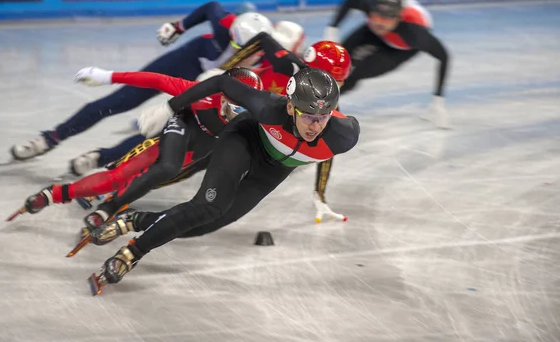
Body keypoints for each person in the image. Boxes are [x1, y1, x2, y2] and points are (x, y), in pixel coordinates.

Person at [86, 66, 360, 294]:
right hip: (245, 140)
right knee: (208, 206)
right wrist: (169, 107)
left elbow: (328, 152)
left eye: (323, 117)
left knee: (208, 224)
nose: (316, 126)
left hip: (273, 169)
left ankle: (134, 220)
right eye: (309, 117)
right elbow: (221, 82)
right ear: (290, 107)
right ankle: (132, 253)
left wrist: (319, 193)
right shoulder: (268, 108)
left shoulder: (344, 134)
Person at [8, 3, 273, 174]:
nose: (243, 55)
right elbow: (210, 7)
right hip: (184, 62)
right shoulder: (224, 24)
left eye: (250, 52)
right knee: (118, 101)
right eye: (238, 48)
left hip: (207, 85)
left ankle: (100, 158)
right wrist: (178, 27)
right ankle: (50, 138)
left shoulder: (272, 59)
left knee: (161, 131)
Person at [15, 68, 263, 232]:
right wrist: (108, 76)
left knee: (150, 177)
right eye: (234, 105)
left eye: (245, 106)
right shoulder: (202, 96)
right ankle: (65, 197)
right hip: (181, 128)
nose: (238, 112)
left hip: (198, 151)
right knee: (142, 171)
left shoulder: (257, 115)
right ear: (221, 95)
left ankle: (94, 202)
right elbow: (155, 80)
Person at [324, 0, 451, 128]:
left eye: (386, 18)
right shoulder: (370, 7)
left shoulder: (414, 33)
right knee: (337, 58)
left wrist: (438, 100)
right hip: (372, 33)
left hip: (400, 48)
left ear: (398, 17)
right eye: (375, 15)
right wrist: (332, 28)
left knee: (357, 73)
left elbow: (444, 57)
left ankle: (323, 102)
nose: (379, 21)